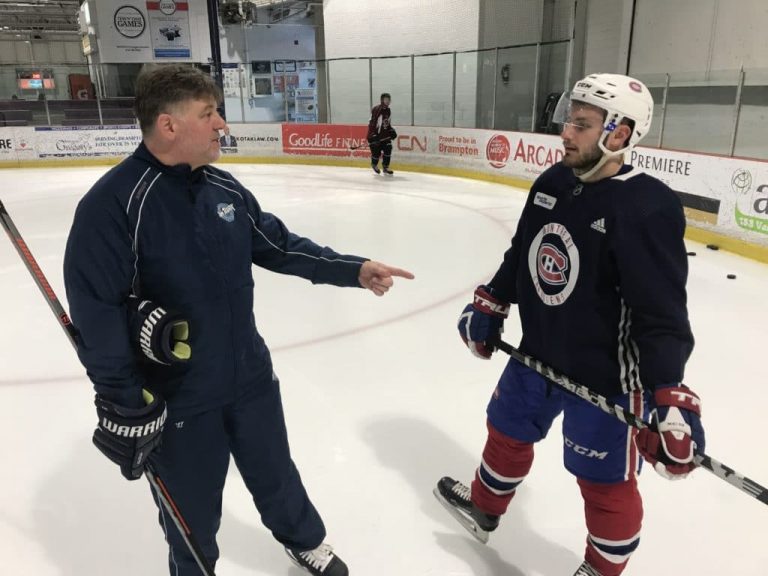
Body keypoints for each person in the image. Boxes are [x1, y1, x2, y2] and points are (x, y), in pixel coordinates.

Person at [63, 64, 414, 576]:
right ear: (169, 126)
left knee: (276, 472)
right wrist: (124, 399)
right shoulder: (113, 206)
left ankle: (303, 539)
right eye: (209, 114)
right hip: (179, 397)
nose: (222, 125)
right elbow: (96, 316)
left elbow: (279, 244)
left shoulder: (223, 189)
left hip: (248, 374)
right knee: (192, 511)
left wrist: (353, 270)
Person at [434, 73, 704, 576]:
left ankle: (601, 569)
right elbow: (525, 252)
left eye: (582, 124)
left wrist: (668, 393)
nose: (566, 133)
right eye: (568, 120)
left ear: (620, 133)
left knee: (602, 481)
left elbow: (661, 312)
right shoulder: (552, 183)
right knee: (505, 432)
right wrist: (494, 300)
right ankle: (484, 508)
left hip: (605, 380)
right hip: (536, 356)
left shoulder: (646, 206)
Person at [367, 92, 397, 175]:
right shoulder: (377, 109)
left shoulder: (388, 110)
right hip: (374, 136)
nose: (388, 101)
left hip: (385, 136)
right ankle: (374, 164)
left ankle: (385, 167)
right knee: (376, 153)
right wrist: (373, 135)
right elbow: (372, 123)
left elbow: (387, 123)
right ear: (382, 100)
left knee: (388, 148)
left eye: (389, 100)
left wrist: (391, 130)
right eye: (386, 99)